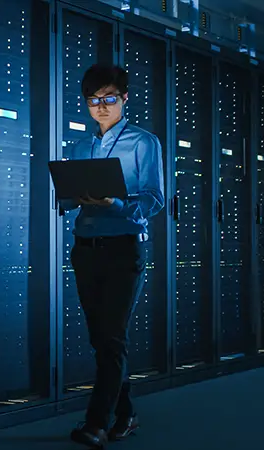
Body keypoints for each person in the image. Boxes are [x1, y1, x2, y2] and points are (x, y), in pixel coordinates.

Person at [60, 64, 165, 448]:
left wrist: (115, 202)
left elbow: (154, 199)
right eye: (93, 100)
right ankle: (126, 414)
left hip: (123, 247)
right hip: (85, 249)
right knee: (100, 339)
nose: (100, 106)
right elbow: (71, 198)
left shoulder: (143, 142)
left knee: (112, 338)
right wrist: (71, 196)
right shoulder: (80, 147)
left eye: (108, 99)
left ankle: (96, 423)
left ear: (124, 98)